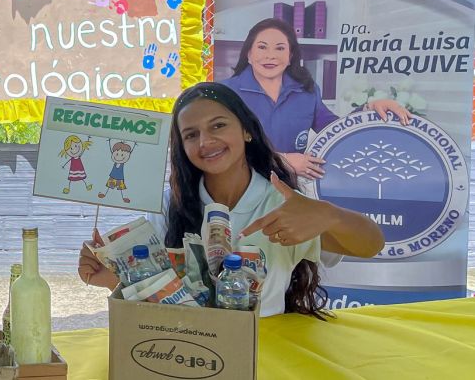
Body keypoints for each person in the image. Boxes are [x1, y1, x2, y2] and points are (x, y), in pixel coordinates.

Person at [77, 82, 383, 317]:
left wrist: (331, 215)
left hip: (264, 358)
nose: (206, 141)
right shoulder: (169, 206)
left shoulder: (283, 205)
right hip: (186, 357)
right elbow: (152, 299)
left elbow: (371, 245)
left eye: (218, 125)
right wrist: (108, 279)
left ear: (246, 130)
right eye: (191, 134)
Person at [222, 18, 410, 180]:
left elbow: (334, 130)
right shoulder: (226, 92)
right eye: (262, 47)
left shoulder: (307, 92)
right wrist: (281, 160)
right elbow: (223, 147)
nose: (270, 55)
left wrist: (369, 109)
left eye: (280, 48)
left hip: (289, 190)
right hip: (239, 188)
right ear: (249, 54)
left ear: (290, 56)